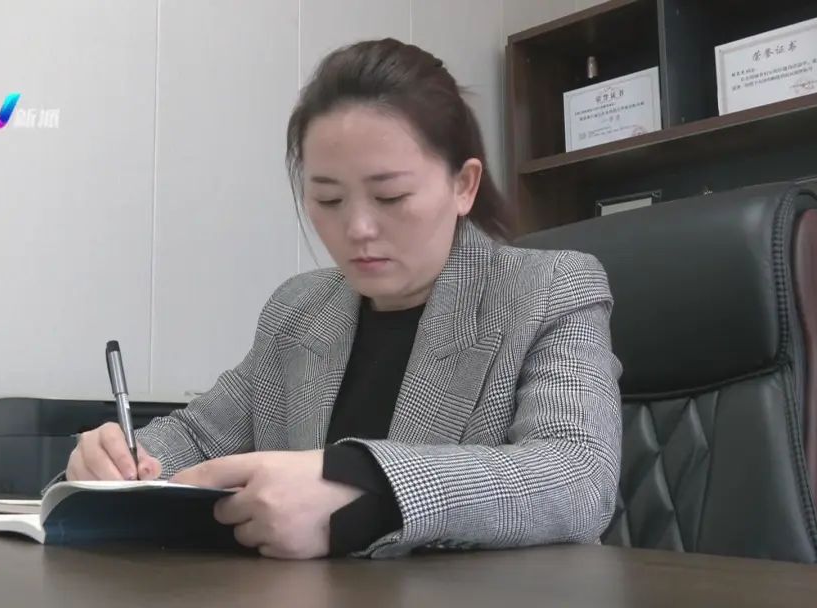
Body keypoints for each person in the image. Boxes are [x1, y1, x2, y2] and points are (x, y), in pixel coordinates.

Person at [64, 38, 622, 560]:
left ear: (463, 185)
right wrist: (120, 460)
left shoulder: (550, 288)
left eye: (390, 196)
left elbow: (577, 478)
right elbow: (199, 435)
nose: (357, 229)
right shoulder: (299, 309)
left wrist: (363, 490)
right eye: (328, 200)